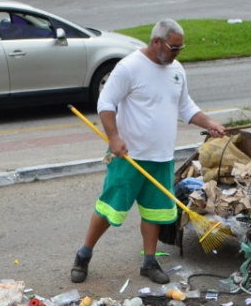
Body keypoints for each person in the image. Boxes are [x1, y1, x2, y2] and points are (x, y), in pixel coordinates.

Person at [71, 19, 227, 286]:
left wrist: (210, 123)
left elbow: (185, 106)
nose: (178, 53)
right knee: (110, 208)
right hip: (129, 157)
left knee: (155, 212)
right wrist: (114, 137)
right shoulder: (129, 67)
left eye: (181, 48)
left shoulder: (176, 70)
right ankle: (83, 255)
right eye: (174, 47)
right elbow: (105, 103)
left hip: (162, 157)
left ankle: (149, 261)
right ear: (157, 42)